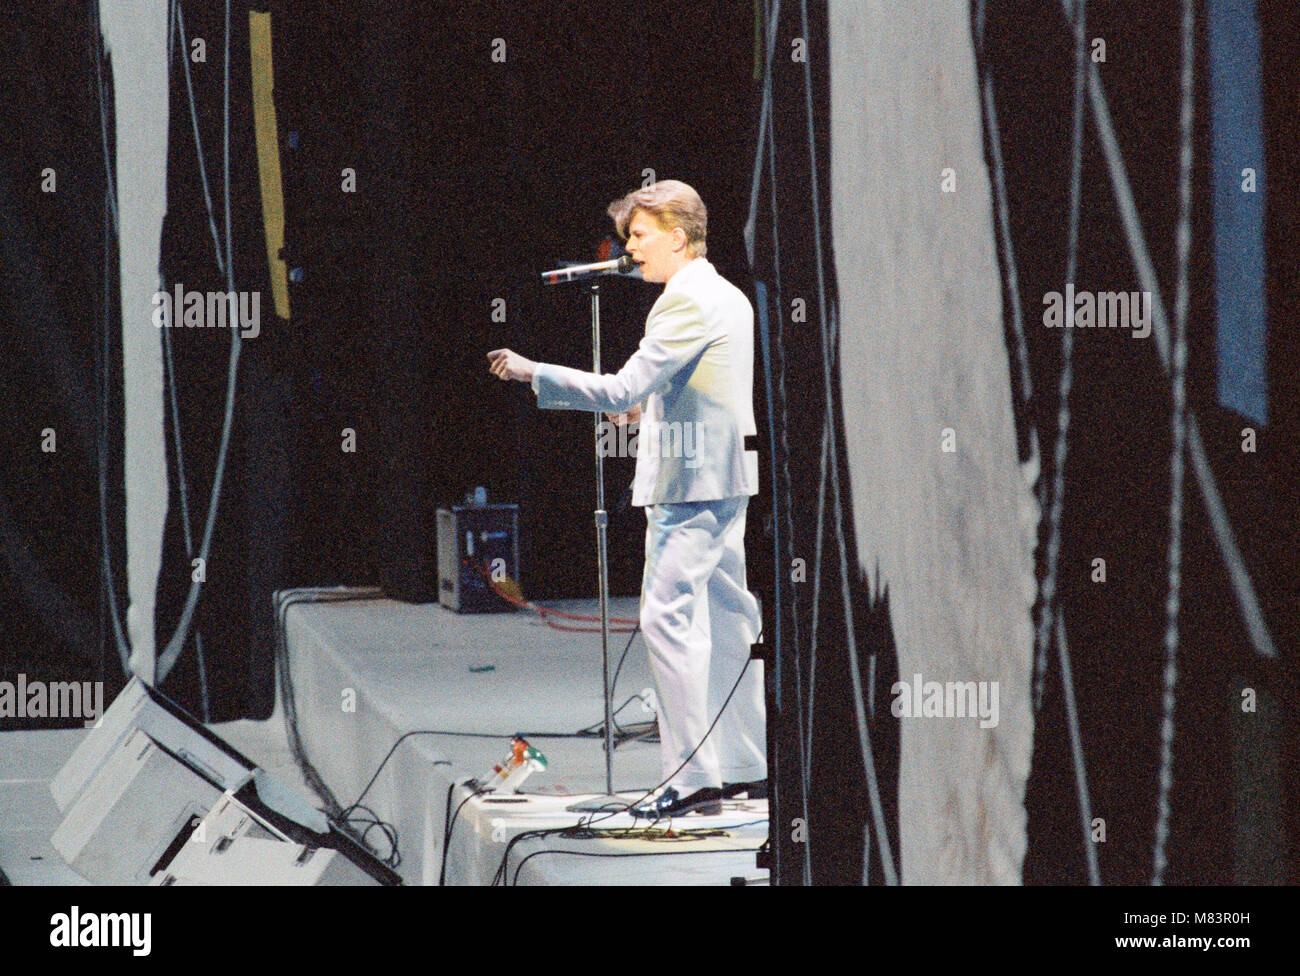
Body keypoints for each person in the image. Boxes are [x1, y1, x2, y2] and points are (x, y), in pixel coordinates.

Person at [486, 180, 766, 816]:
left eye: (639, 236)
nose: (629, 249)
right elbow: (699, 389)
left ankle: (692, 779)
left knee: (668, 621)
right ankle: (745, 762)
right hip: (723, 476)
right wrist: (649, 408)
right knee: (727, 620)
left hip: (689, 485)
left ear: (675, 235)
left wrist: (536, 372)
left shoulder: (680, 303)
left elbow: (618, 389)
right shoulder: (725, 295)